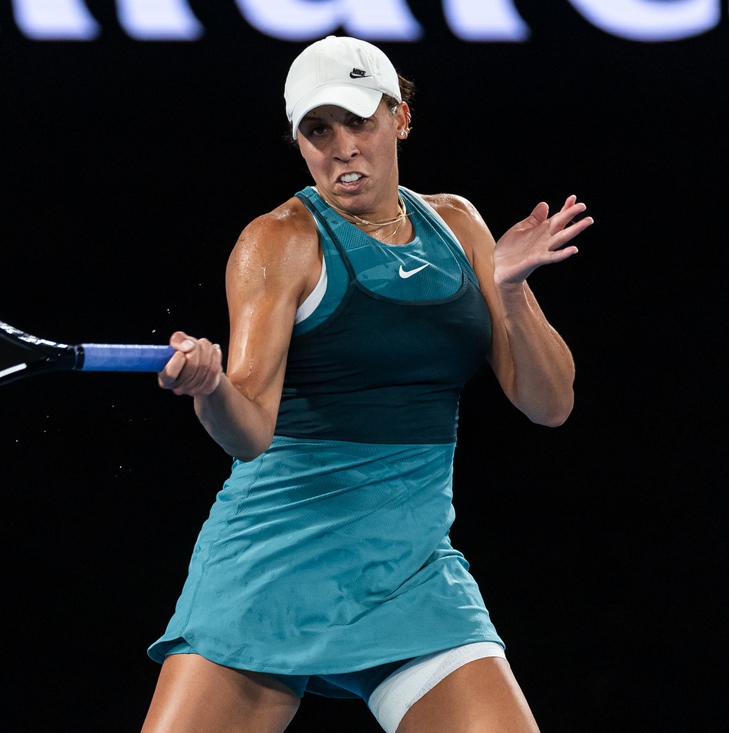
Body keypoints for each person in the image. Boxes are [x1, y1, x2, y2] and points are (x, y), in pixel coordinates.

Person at [144, 36, 591, 733]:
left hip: (409, 571)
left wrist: (509, 291)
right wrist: (210, 387)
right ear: (298, 141)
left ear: (400, 117)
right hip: (275, 565)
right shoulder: (277, 241)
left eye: (359, 121)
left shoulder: (458, 225)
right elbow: (249, 432)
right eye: (318, 130)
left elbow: (550, 405)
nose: (343, 148)